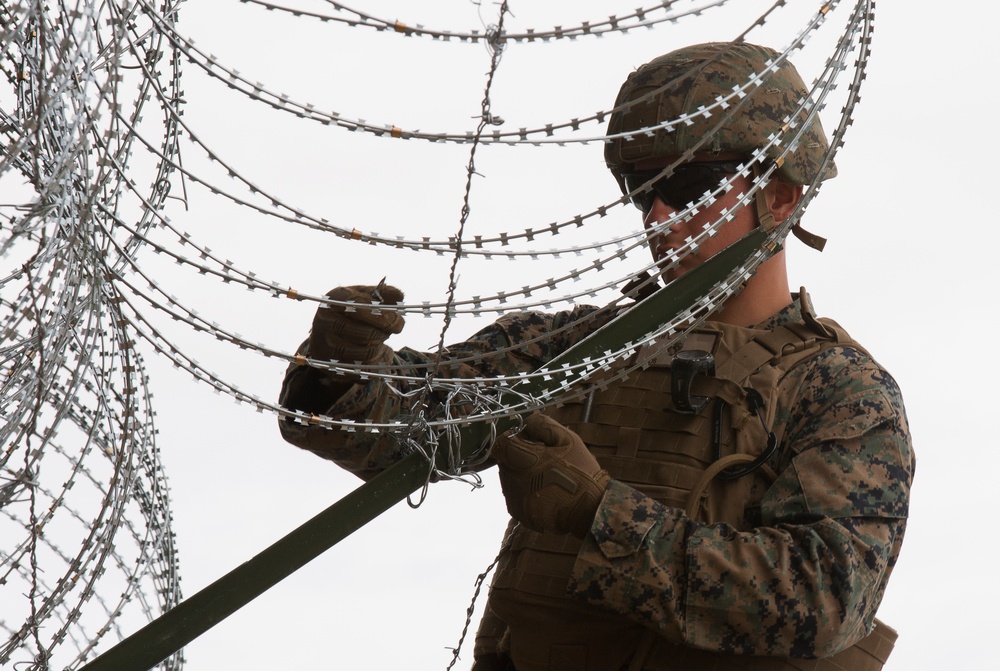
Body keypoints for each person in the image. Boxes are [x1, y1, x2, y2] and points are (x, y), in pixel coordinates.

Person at [278, 42, 913, 671]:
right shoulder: (579, 348)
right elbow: (416, 423)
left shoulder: (839, 390)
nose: (662, 215)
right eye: (645, 191)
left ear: (779, 194)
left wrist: (598, 513)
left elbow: (825, 598)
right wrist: (342, 368)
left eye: (691, 184)